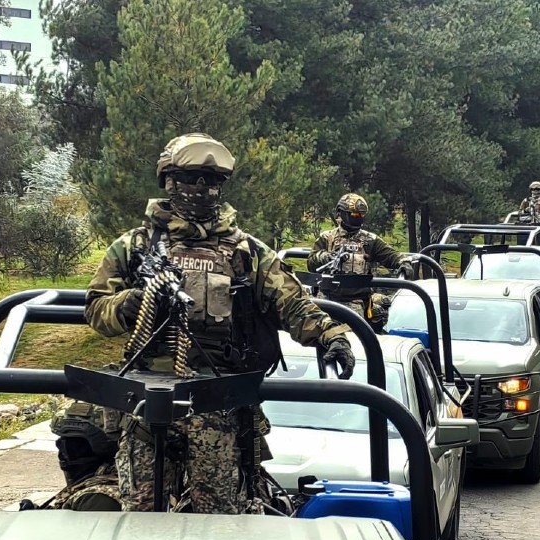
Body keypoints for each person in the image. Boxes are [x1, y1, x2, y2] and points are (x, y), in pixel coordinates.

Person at [76, 132, 356, 515]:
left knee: (220, 518)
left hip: (218, 402)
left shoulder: (247, 252)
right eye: (192, 178)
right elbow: (96, 311)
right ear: (169, 181)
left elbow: (291, 302)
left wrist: (329, 335)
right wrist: (136, 301)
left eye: (212, 181)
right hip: (146, 400)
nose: (202, 188)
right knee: (140, 516)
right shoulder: (134, 247)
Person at [307, 192, 415, 328]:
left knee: (351, 337)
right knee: (317, 333)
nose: (358, 217)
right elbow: (311, 263)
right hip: (327, 298)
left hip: (356, 301)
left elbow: (391, 255)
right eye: (354, 214)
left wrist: (404, 262)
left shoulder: (370, 240)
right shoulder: (326, 238)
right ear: (341, 213)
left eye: (361, 215)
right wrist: (325, 257)